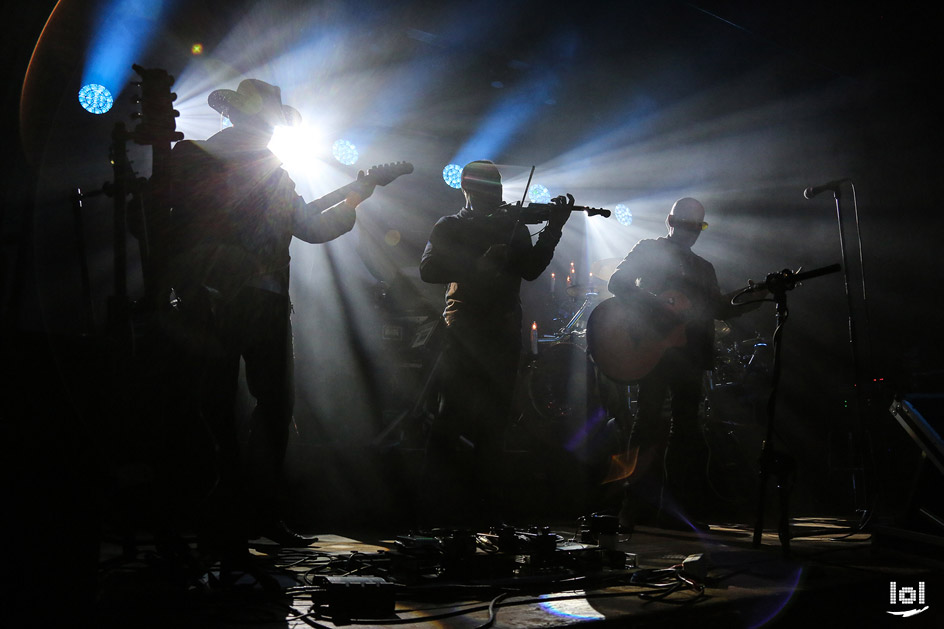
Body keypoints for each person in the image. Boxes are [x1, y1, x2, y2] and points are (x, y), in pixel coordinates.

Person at [165, 79, 376, 567]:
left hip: (243, 300)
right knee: (239, 410)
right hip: (229, 300)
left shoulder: (264, 171)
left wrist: (353, 198)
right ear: (251, 121)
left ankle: (243, 517)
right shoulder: (207, 158)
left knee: (244, 410)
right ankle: (231, 518)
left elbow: (304, 225)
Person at [419, 160, 572, 526]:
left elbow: (532, 269)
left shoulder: (513, 225)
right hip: (464, 329)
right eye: (490, 184)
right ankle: (434, 510)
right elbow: (428, 269)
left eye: (499, 183)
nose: (498, 190)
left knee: (495, 420)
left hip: (503, 328)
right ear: (468, 189)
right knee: (449, 416)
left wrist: (553, 229)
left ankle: (483, 511)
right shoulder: (451, 226)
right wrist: (478, 264)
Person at [605, 197, 764, 532]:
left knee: (686, 430)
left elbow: (718, 308)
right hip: (653, 349)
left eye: (698, 227)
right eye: (687, 225)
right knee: (646, 424)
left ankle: (678, 512)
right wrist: (659, 306)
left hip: (690, 354)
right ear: (670, 221)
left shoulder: (704, 268)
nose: (692, 233)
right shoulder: (649, 249)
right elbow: (617, 283)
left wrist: (754, 298)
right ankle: (631, 508)